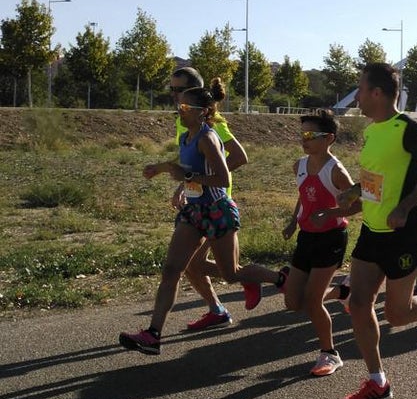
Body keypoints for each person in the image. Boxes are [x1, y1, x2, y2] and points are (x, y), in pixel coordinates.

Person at [118, 80, 284, 354]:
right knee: (172, 270)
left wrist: (188, 178)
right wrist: (162, 169)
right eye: (178, 104)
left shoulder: (208, 138)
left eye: (184, 106)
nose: (179, 109)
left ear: (202, 111)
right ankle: (153, 334)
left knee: (231, 274)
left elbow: (223, 177)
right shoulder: (186, 137)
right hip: (193, 211)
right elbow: (185, 167)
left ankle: (278, 279)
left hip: (217, 210)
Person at [332, 63, 417, 399]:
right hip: (372, 230)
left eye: (360, 88)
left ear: (377, 93)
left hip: (402, 234)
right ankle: (377, 381)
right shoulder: (372, 131)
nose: (356, 95)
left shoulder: (408, 129)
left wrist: (406, 205)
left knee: (397, 315)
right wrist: (357, 191)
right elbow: (381, 175)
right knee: (358, 304)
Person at [165, 66, 271, 330]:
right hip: (197, 201)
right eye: (172, 90)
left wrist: (201, 178)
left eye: (178, 90)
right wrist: (186, 183)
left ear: (192, 92)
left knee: (196, 265)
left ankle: (263, 278)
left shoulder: (212, 121)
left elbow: (239, 156)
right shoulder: (183, 118)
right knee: (191, 265)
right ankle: (219, 308)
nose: (174, 96)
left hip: (215, 203)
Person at [280, 110, 355, 377]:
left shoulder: (336, 171)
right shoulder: (299, 165)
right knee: (292, 302)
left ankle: (330, 353)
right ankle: (341, 293)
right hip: (307, 237)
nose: (305, 139)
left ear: (329, 138)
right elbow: (304, 195)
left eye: (311, 135)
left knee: (312, 301)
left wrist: (330, 213)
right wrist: (293, 220)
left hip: (331, 238)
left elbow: (357, 204)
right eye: (302, 134)